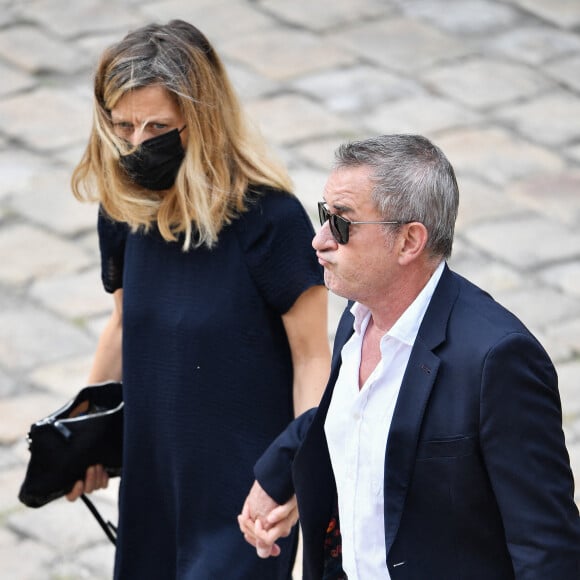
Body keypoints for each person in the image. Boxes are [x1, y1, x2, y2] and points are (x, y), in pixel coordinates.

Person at [239, 134, 580, 579]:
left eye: (341, 224)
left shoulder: (498, 360)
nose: (319, 240)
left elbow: (548, 549)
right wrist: (281, 471)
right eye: (324, 216)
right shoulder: (358, 317)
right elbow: (351, 417)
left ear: (409, 241)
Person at [65, 19, 331, 579]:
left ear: (200, 121)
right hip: (151, 491)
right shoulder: (124, 208)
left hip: (245, 500)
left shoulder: (271, 220)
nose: (137, 144)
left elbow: (312, 358)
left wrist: (301, 478)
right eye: (124, 126)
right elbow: (120, 325)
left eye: (157, 126)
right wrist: (83, 433)